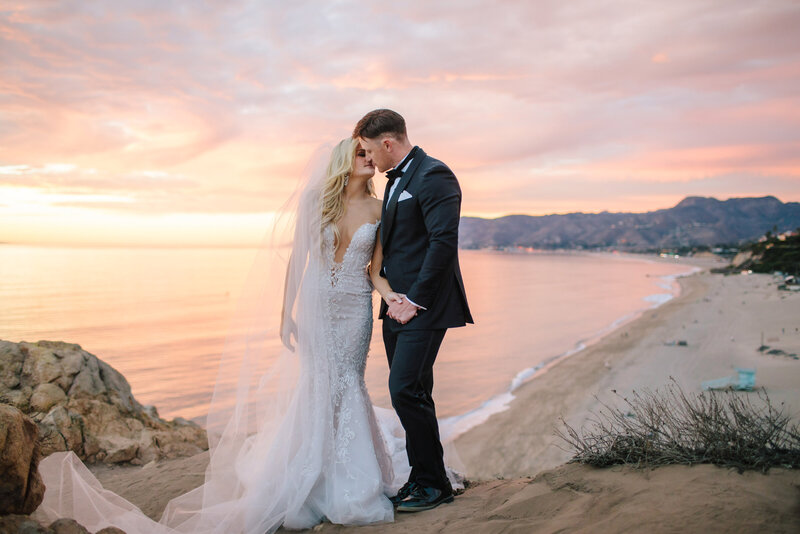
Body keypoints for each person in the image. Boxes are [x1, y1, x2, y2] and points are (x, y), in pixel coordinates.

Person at [35, 136, 463, 533]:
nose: (369, 160)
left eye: (370, 154)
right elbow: (299, 260)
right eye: (360, 155)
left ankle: (351, 475)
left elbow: (374, 271)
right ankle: (309, 471)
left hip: (354, 309)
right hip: (316, 305)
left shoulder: (378, 209)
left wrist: (392, 297)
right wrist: (285, 314)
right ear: (342, 162)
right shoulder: (317, 202)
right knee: (316, 383)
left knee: (348, 382)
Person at [355, 109, 473, 512]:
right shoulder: (394, 181)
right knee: (416, 392)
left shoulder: (434, 174)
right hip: (396, 305)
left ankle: (432, 485)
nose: (370, 160)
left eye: (371, 151)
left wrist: (414, 302)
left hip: (424, 306)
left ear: (388, 143)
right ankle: (426, 478)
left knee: (404, 390)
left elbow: (443, 242)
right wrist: (390, 298)